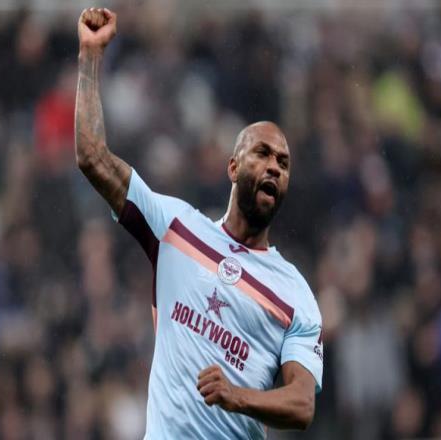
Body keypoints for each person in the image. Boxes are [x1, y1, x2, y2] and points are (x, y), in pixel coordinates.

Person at [75, 7, 323, 439]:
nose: (274, 167)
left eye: (283, 163)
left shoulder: (294, 292)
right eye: (262, 154)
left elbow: (302, 405)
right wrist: (90, 55)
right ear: (232, 167)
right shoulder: (176, 228)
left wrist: (237, 396)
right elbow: (92, 158)